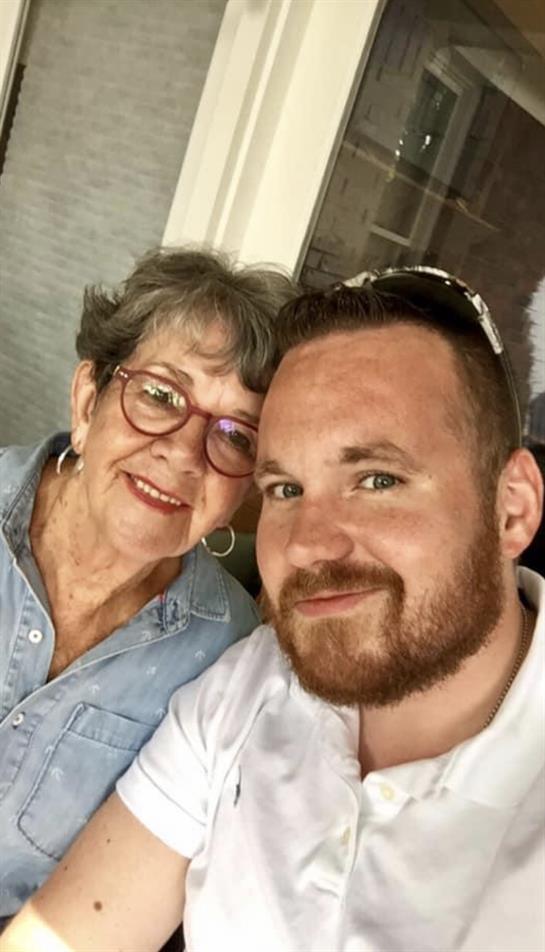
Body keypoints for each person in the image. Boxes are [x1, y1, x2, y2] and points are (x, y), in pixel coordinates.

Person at [2, 267, 544, 952]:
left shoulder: (214, 642)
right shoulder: (248, 686)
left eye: (377, 479)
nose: (310, 545)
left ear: (512, 508)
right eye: (286, 487)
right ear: (87, 400)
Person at [0, 246, 295, 925]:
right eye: (160, 396)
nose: (183, 454)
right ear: (87, 398)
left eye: (235, 435)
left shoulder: (224, 656)